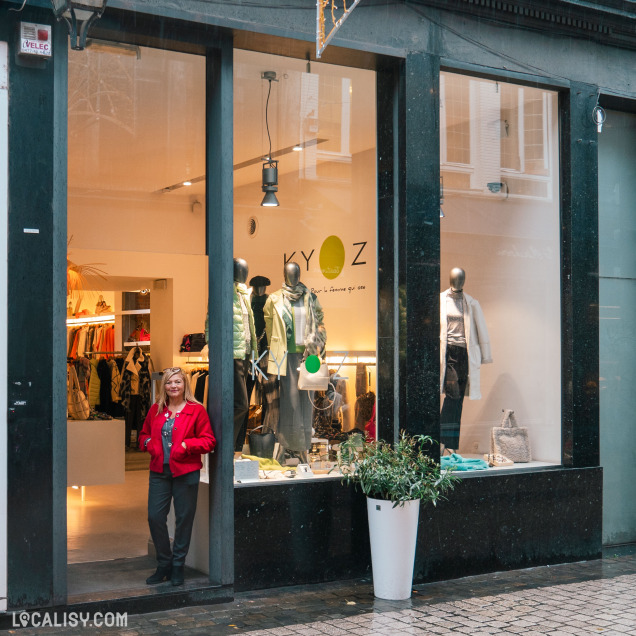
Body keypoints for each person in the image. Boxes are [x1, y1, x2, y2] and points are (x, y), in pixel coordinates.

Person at [139, 367, 216, 586]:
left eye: (178, 382)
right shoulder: (156, 409)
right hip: (159, 473)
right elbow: (143, 434)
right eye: (169, 383)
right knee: (155, 517)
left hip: (186, 473)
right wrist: (149, 444)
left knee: (183, 520)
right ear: (163, 386)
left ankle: (177, 566)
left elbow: (209, 441)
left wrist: (185, 445)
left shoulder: (196, 410)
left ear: (185, 385)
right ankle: (164, 563)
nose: (173, 386)